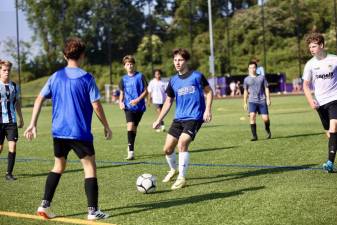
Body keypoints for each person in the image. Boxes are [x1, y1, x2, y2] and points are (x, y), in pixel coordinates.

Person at [23, 37, 112, 220]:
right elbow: (96, 105)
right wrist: (106, 125)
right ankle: (93, 211)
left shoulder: (55, 76)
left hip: (59, 132)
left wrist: (32, 123)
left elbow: (39, 98)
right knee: (89, 167)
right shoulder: (87, 78)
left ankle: (44, 205)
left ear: (65, 56)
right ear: (83, 56)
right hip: (79, 132)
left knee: (58, 165)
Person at [153, 48, 213, 190]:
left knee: (182, 143)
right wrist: (158, 119)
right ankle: (173, 169)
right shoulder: (173, 81)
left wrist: (208, 110)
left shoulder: (197, 76)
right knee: (167, 149)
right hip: (178, 118)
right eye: (175, 60)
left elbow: (209, 92)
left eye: (180, 60)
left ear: (186, 61)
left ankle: (181, 178)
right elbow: (168, 101)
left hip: (194, 117)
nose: (177, 63)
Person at [302, 32, 337, 173]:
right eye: (310, 47)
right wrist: (311, 100)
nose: (311, 49)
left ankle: (329, 163)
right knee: (330, 133)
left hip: (335, 99)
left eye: (314, 46)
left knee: (334, 127)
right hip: (320, 103)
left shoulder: (334, 60)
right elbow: (305, 85)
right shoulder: (310, 65)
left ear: (321, 45)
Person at [119, 55, 148, 160]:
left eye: (131, 64)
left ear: (134, 65)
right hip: (128, 107)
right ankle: (131, 152)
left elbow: (146, 91)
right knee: (130, 126)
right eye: (127, 64)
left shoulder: (140, 76)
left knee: (134, 129)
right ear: (124, 66)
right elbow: (122, 93)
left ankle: (130, 145)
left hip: (139, 107)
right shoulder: (123, 79)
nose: (130, 66)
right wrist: (120, 102)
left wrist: (137, 100)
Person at [0, 60, 24, 181]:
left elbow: (17, 103)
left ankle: (9, 173)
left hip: (11, 122)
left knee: (13, 146)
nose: (6, 72)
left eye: (8, 70)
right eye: (4, 70)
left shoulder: (14, 86)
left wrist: (21, 118)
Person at [243, 61, 271, 141]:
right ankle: (254, 136)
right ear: (248, 69)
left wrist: (268, 99)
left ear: (256, 68)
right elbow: (245, 91)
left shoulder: (262, 77)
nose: (252, 69)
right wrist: (245, 102)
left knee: (265, 119)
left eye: (254, 67)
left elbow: (266, 88)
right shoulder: (246, 80)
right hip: (252, 101)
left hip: (262, 100)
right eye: (250, 68)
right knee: (252, 116)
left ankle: (267, 129)